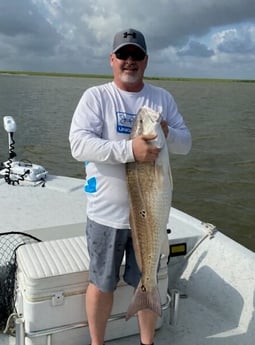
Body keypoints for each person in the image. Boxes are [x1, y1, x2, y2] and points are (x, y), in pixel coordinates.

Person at [69, 28, 192, 345]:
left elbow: (185, 144)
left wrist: (167, 131)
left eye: (136, 55)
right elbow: (79, 145)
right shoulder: (96, 97)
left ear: (146, 61)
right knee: (102, 282)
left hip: (151, 216)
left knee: (147, 279)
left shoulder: (161, 98)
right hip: (105, 215)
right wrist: (130, 150)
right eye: (123, 54)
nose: (130, 61)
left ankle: (146, 342)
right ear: (112, 59)